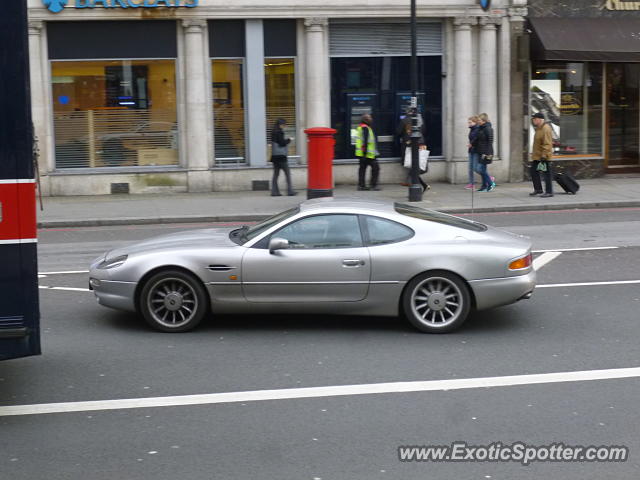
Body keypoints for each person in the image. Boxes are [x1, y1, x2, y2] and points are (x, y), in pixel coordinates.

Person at [398, 116, 429, 192]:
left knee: (415, 168)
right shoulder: (420, 119)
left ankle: (421, 185)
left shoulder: (406, 121)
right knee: (415, 167)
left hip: (415, 147)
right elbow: (423, 131)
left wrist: (407, 142)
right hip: (421, 145)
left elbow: (400, 132)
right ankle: (420, 184)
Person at [530, 112, 554, 197]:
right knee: (533, 172)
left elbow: (547, 144)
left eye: (535, 119)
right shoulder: (539, 128)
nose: (533, 120)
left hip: (544, 156)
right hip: (537, 156)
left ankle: (549, 192)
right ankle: (538, 189)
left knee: (547, 174)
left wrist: (544, 156)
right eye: (533, 119)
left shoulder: (546, 128)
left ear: (540, 119)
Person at [270, 118, 296, 196]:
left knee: (276, 175)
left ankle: (274, 192)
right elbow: (282, 143)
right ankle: (290, 191)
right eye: (284, 125)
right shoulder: (279, 132)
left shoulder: (273, 132)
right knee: (287, 174)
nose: (284, 126)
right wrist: (289, 140)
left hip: (275, 157)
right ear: (280, 125)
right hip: (281, 157)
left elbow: (276, 143)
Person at [355, 114, 380, 191]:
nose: (371, 119)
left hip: (362, 154)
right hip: (367, 154)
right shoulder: (365, 128)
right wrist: (365, 153)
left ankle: (361, 186)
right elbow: (364, 141)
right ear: (366, 120)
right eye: (370, 118)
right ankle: (373, 185)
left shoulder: (361, 127)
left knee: (362, 169)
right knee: (376, 168)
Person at [474, 113, 496, 192]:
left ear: (484, 120)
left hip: (486, 152)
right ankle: (484, 186)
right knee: (482, 169)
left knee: (481, 169)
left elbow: (490, 141)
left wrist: (487, 153)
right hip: (480, 151)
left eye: (479, 120)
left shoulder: (488, 128)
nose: (478, 121)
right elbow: (478, 139)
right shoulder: (481, 128)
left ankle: (490, 183)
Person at [465, 116, 480, 189]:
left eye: (470, 122)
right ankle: (471, 183)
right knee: (470, 168)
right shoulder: (472, 129)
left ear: (475, 122)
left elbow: (477, 139)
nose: (469, 123)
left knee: (475, 168)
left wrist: (471, 144)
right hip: (471, 150)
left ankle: (489, 178)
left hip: (476, 151)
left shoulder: (477, 129)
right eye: (468, 122)